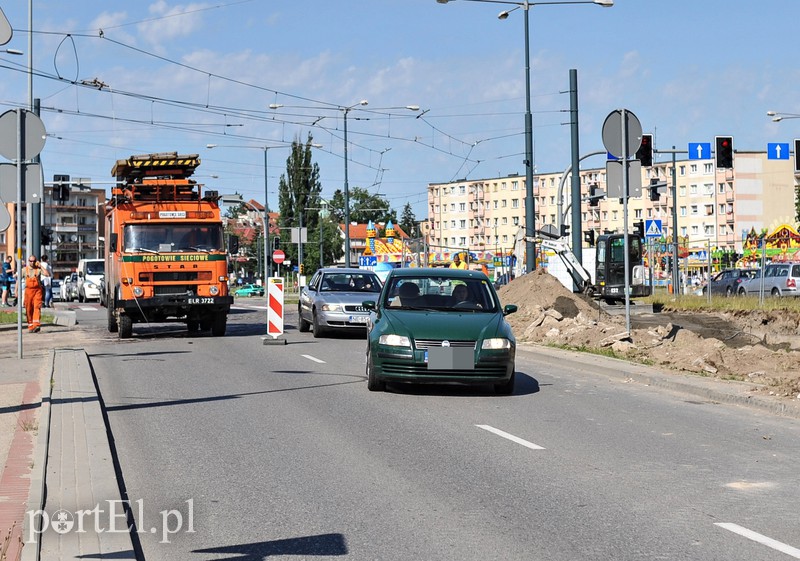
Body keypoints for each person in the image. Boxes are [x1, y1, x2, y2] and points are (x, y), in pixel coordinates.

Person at [21, 255, 50, 333]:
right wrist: (16, 291)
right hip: (28, 292)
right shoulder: (24, 270)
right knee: (29, 309)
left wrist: (41, 266)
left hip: (37, 291)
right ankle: (30, 325)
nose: (32, 262)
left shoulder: (38, 269)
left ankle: (36, 324)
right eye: (30, 261)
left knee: (37, 307)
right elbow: (17, 279)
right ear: (28, 261)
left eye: (34, 261)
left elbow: (47, 274)